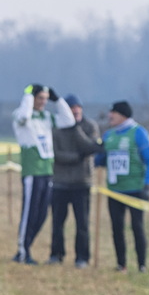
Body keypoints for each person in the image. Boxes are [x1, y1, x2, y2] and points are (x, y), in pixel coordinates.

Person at [10, 85, 74, 264]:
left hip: (47, 170)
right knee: (29, 213)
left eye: (46, 99)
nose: (43, 102)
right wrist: (28, 96)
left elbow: (68, 121)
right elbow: (24, 116)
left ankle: (26, 246)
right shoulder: (20, 115)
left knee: (42, 214)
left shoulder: (46, 117)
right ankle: (23, 251)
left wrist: (58, 100)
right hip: (32, 171)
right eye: (40, 98)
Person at [95, 101, 149, 272]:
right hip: (114, 190)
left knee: (137, 227)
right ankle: (121, 264)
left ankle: (141, 264)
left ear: (122, 115)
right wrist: (95, 151)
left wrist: (148, 185)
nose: (109, 116)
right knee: (117, 228)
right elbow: (100, 160)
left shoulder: (138, 133)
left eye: (113, 113)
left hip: (135, 189)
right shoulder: (108, 135)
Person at [49, 94, 101, 266]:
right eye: (72, 110)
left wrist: (75, 128)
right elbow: (56, 154)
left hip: (82, 181)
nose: (76, 112)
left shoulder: (89, 126)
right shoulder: (56, 128)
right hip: (60, 182)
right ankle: (56, 254)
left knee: (83, 223)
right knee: (57, 222)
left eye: (78, 109)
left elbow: (90, 147)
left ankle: (82, 257)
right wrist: (77, 157)